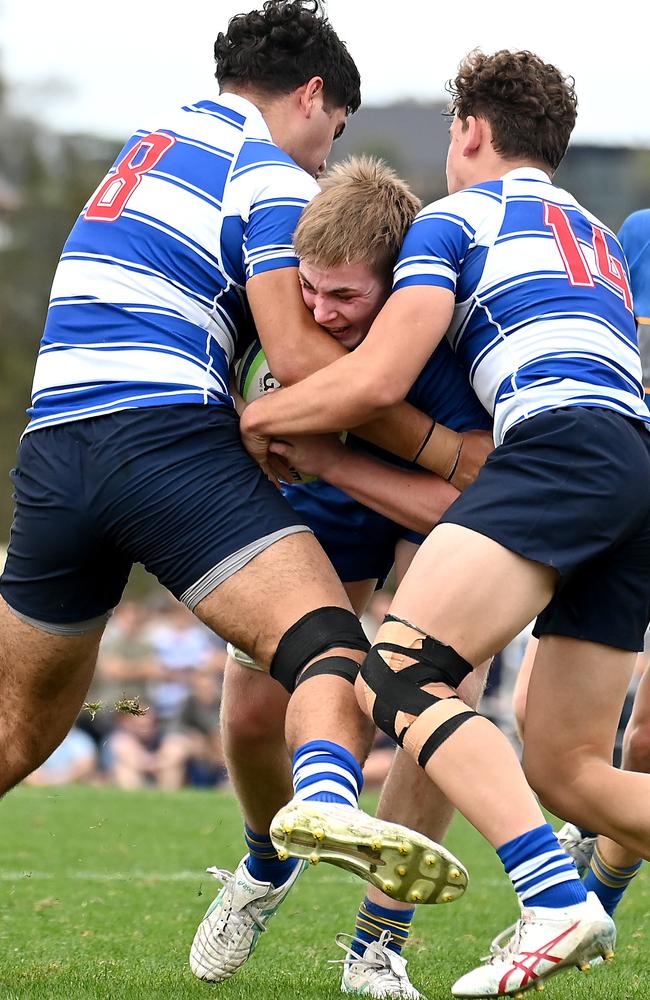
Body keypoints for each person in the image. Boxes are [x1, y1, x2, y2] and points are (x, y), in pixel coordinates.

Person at [0, 0, 475, 956]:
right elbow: (300, 359)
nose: (319, 166)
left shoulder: (143, 145)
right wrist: (439, 447)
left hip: (53, 447)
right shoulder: (262, 166)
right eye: (330, 135)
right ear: (311, 96)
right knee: (330, 647)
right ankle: (324, 809)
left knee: (17, 729)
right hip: (158, 437)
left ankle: (277, 848)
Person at [240, 48, 650, 996]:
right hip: (633, 464)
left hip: (559, 444)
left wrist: (261, 416)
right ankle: (556, 890)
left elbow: (381, 375)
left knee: (398, 674)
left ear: (469, 131)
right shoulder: (588, 228)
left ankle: (553, 900)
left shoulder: (457, 218)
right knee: (571, 769)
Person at [191, 156, 492, 997]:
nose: (319, 314)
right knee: (254, 709)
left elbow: (464, 502)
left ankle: (377, 944)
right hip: (323, 500)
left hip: (405, 505)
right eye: (311, 291)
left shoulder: (446, 347)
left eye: (346, 298)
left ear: (397, 287)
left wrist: (331, 455)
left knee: (446, 694)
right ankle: (264, 865)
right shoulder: (282, 320)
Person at [512, 208, 650, 922]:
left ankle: (596, 900)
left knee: (648, 736)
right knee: (534, 714)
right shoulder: (633, 237)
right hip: (624, 496)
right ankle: (594, 838)